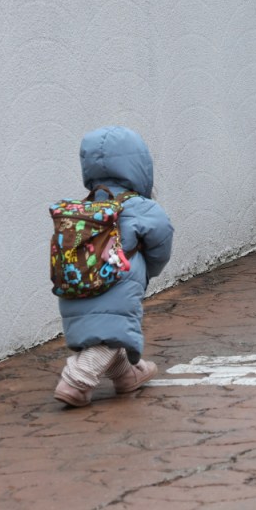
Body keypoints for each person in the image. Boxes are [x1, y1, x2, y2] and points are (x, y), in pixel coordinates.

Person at [54, 125, 175, 407]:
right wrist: (148, 270)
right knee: (107, 338)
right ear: (139, 166)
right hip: (119, 283)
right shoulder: (141, 207)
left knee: (106, 330)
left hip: (75, 287)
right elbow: (161, 244)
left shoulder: (82, 210)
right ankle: (76, 379)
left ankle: (127, 374)